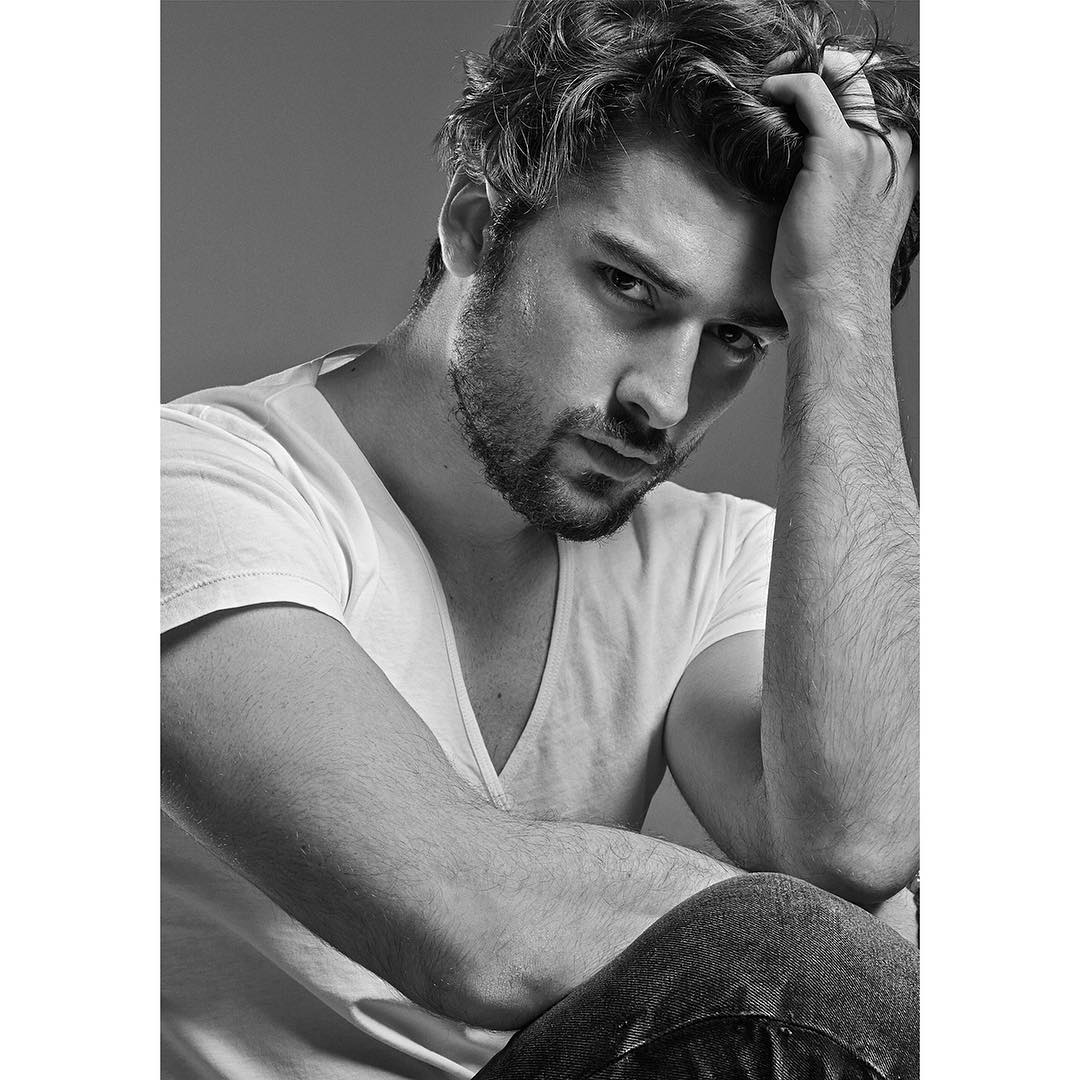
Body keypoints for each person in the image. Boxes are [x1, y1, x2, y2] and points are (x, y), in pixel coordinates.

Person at [160, 0, 920, 1076]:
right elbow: (470, 919)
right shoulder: (186, 485)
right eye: (627, 286)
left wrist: (843, 307)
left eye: (737, 339)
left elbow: (855, 842)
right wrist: (818, 934)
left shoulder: (709, 560)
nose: (664, 401)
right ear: (476, 228)